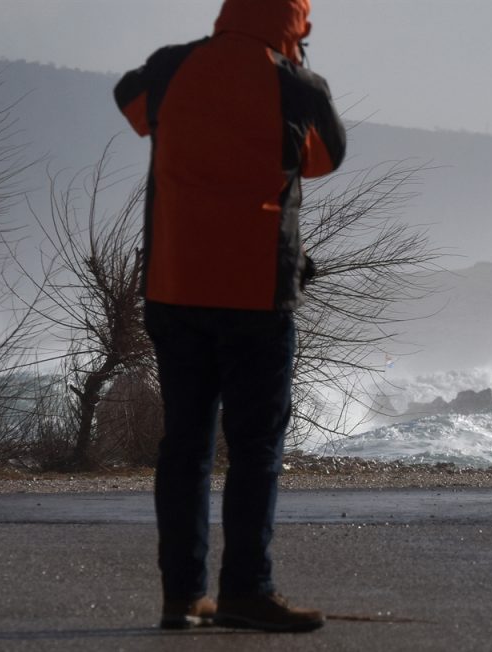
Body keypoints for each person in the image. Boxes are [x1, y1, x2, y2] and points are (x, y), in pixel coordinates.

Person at [114, 0, 346, 633]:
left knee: (184, 446)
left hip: (174, 286)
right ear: (295, 23)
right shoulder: (297, 86)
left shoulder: (171, 67)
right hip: (257, 295)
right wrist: (289, 69)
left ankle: (182, 597)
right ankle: (247, 590)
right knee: (255, 449)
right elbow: (325, 159)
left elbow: (130, 102)